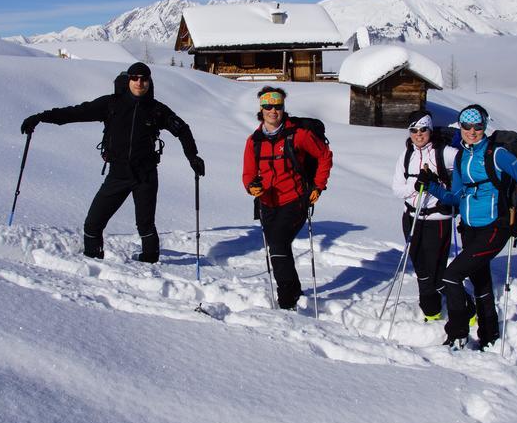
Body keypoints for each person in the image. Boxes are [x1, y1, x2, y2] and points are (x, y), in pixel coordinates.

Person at [20, 62, 205, 263]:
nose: (139, 82)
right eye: (135, 78)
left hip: (146, 174)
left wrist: (192, 157)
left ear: (149, 82)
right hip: (118, 174)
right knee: (93, 223)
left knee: (145, 225)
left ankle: (150, 265)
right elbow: (75, 113)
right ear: (128, 80)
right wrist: (40, 117)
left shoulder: (157, 110)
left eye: (144, 79)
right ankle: (92, 259)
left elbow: (182, 129)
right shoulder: (111, 104)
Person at [422, 104, 517, 350]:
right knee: (481, 282)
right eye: (467, 126)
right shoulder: (461, 156)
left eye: (477, 126)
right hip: (469, 227)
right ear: (460, 127)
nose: (472, 131)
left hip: (495, 227)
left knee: (451, 277)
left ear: (485, 126)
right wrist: (432, 185)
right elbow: (455, 197)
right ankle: (489, 336)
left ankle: (457, 333)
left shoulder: (497, 155)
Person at [242, 86, 332, 310]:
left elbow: (324, 156)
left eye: (278, 106)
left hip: (295, 200)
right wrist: (251, 187)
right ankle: (294, 289)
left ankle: (286, 300)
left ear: (283, 108)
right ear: (261, 109)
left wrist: (318, 186)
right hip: (267, 204)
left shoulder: (298, 135)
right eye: (268, 106)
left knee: (278, 244)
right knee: (279, 248)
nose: (273, 111)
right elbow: (248, 174)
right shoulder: (254, 141)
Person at [391, 110, 458, 322]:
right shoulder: (406, 154)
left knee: (436, 273)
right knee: (421, 269)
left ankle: (466, 309)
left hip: (437, 220)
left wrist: (441, 184)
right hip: (411, 217)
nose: (418, 134)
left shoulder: (445, 153)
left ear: (430, 130)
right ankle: (432, 311)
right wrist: (415, 184)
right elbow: (397, 189)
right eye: (414, 130)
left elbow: (466, 166)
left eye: (423, 129)